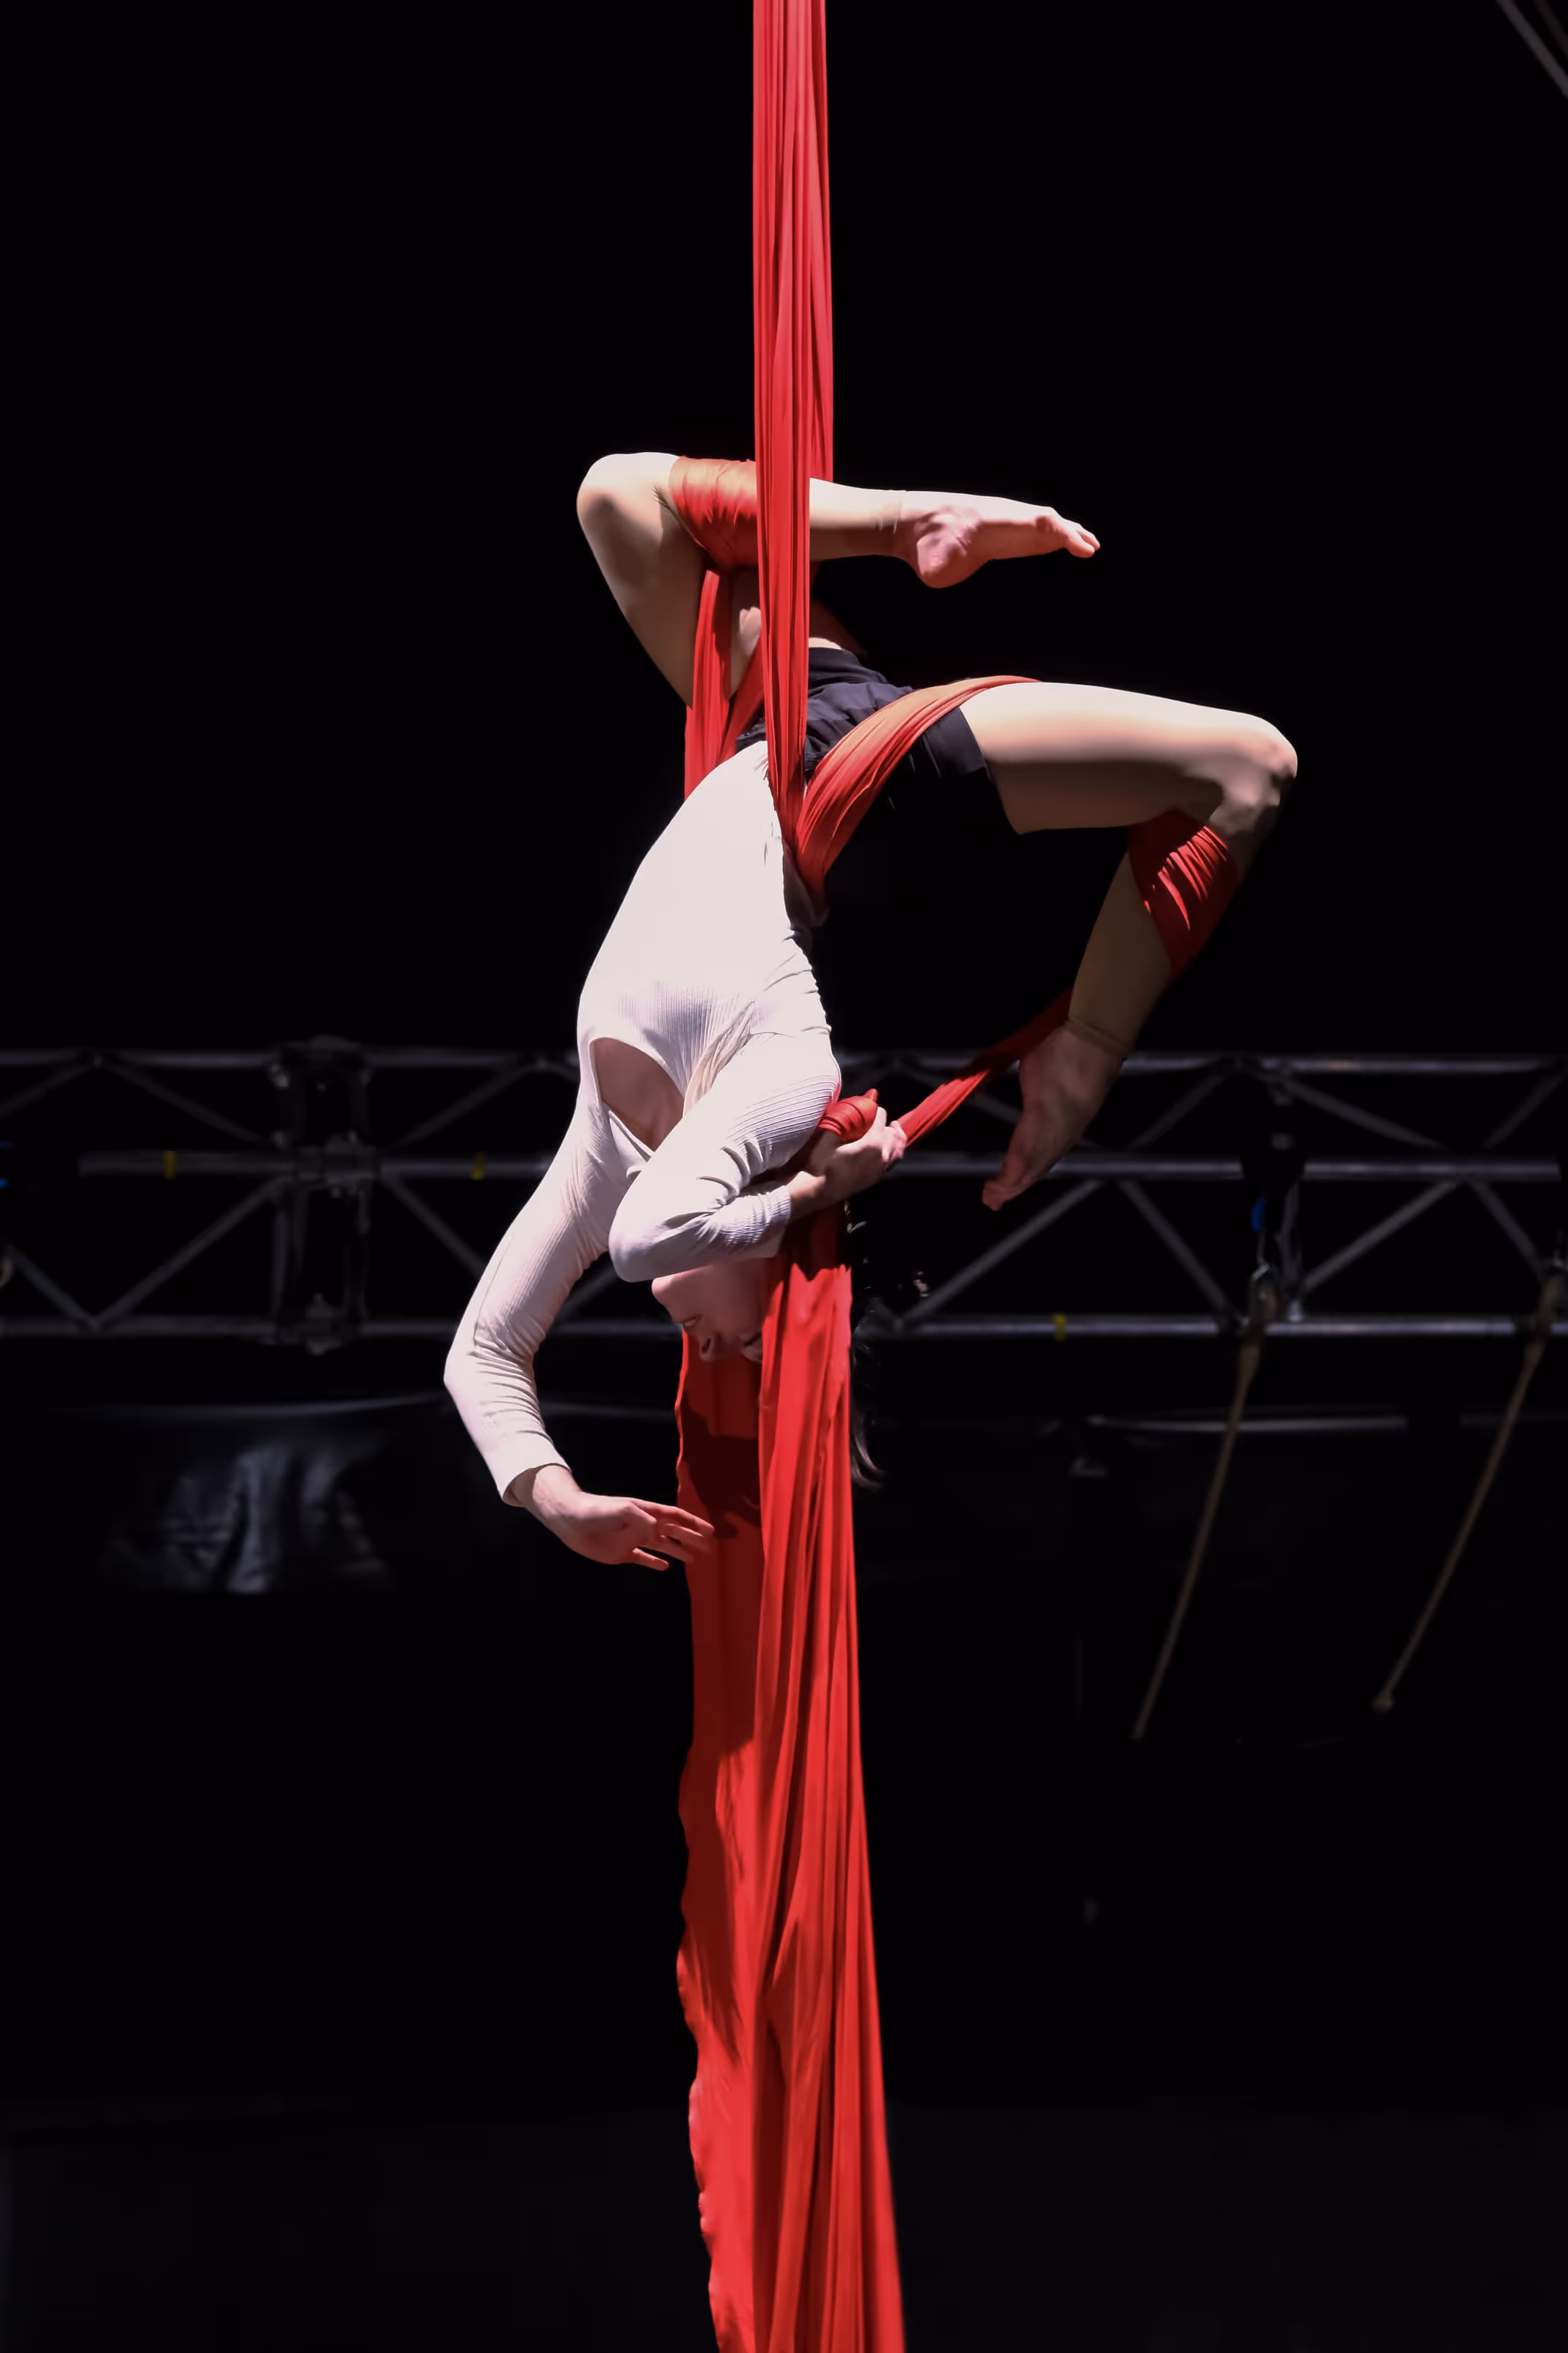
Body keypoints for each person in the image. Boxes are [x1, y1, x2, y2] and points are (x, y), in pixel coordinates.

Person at [444, 451, 1297, 1570]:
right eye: (737, 1337)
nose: (701, 1342)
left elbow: (484, 1348)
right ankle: (1091, 1048)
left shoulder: (607, 1150)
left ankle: (912, 522)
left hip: (772, 725)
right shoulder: (788, 1072)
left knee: (612, 497)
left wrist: (551, 1498)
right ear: (781, 1245)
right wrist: (833, 1176)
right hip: (852, 790)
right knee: (1250, 769)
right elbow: (656, 1240)